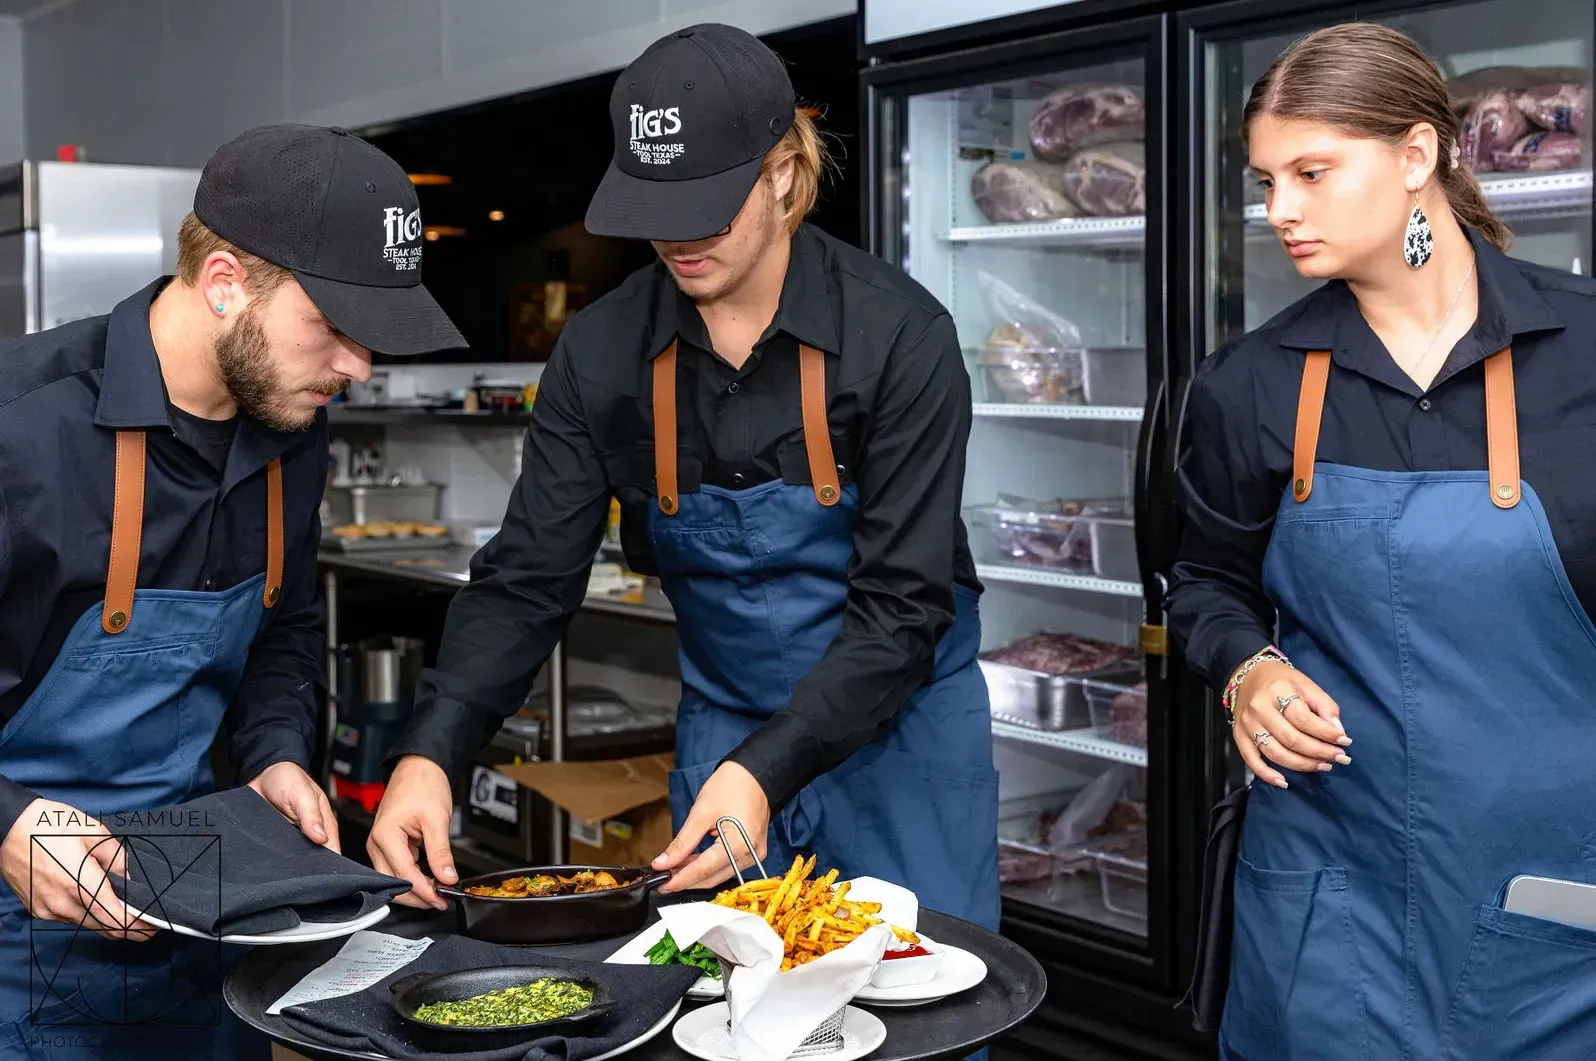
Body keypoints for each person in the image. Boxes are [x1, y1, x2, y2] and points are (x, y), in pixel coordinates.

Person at [370, 22, 1001, 931]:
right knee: (722, 1003)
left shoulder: (900, 338)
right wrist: (431, 751)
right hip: (727, 725)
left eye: (705, 205)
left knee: (921, 1003)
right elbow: (526, 580)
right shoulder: (600, 351)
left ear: (783, 171)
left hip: (901, 740)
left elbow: (902, 606)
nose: (675, 238)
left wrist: (765, 770)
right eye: (652, 208)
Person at [1168, 22, 1596, 1061]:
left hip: (1553, 901)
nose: (1280, 209)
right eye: (1266, 178)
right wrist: (1248, 671)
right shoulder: (1251, 384)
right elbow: (1202, 585)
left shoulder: (1583, 349)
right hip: (1327, 909)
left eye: (1312, 171)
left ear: (1417, 156)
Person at [0, 123, 464, 1058]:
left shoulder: (293, 425)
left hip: (215, 917)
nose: (358, 368)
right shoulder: (23, 427)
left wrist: (275, 752)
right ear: (223, 285)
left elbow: (284, 626)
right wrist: (4, 822)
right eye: (333, 327)